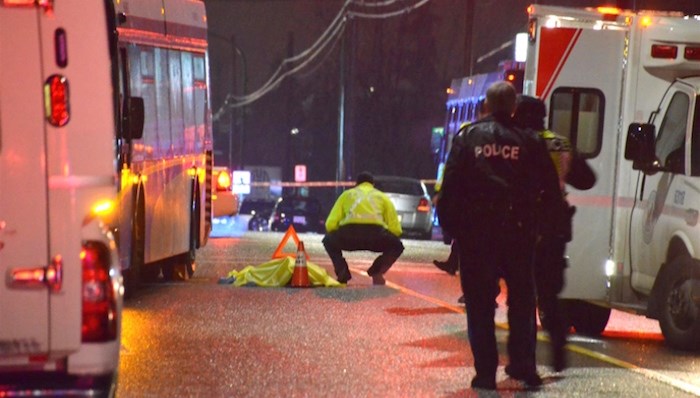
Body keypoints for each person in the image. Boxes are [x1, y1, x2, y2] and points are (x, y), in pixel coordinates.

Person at [438, 81, 567, 390]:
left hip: (476, 234)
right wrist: (543, 229)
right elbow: (550, 190)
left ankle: (485, 373)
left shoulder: (467, 137)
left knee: (480, 305)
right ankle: (524, 367)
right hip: (518, 233)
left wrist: (450, 230)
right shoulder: (529, 140)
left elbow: (451, 185)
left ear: (485, 104)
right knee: (522, 303)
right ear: (513, 107)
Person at [513, 95, 596, 372]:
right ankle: (559, 347)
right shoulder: (561, 143)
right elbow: (587, 180)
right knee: (549, 293)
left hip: (524, 224)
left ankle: (523, 359)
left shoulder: (518, 141)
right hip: (556, 226)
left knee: (522, 292)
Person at [323, 171, 405, 285]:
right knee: (397, 246)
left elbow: (330, 224)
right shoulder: (382, 197)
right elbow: (396, 229)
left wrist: (335, 233)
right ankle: (376, 272)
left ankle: (342, 272)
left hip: (349, 235)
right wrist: (388, 235)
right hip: (375, 236)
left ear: (356, 184)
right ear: (373, 184)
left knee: (328, 240)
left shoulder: (347, 195)